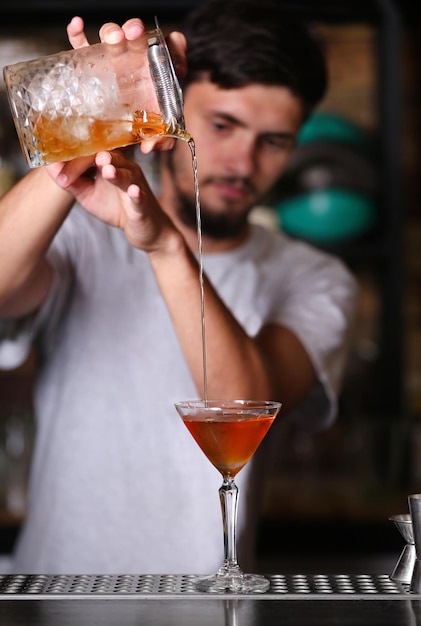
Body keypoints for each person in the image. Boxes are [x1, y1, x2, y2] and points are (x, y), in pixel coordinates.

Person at [0, 0, 357, 574]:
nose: (242, 162)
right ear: (170, 109)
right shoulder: (85, 238)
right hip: (60, 598)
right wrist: (97, 114)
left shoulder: (314, 277)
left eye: (274, 141)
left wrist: (164, 244)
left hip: (209, 609)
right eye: (222, 125)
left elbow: (237, 416)